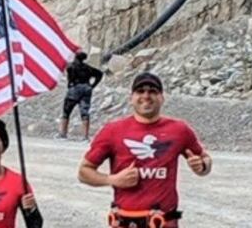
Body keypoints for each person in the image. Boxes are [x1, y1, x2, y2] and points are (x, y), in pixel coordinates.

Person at [77, 72, 212, 228]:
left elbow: (205, 160)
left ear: (162, 97)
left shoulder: (179, 130)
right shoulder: (112, 131)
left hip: (163, 222)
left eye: (152, 91)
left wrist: (201, 166)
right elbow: (84, 172)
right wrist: (112, 180)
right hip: (125, 222)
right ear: (131, 98)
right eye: (140, 91)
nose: (146, 96)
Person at [57, 51, 103, 141]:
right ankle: (85, 136)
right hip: (86, 89)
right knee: (84, 112)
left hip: (74, 89)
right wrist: (93, 85)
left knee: (66, 111)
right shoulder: (87, 68)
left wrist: (69, 84)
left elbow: (70, 78)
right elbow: (99, 74)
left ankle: (63, 133)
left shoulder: (71, 67)